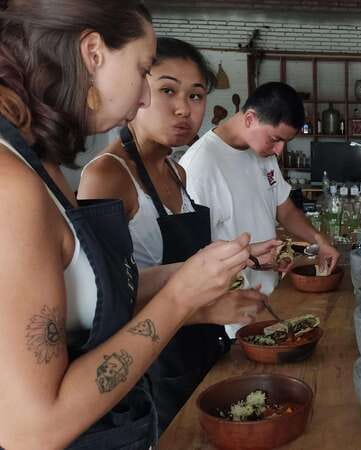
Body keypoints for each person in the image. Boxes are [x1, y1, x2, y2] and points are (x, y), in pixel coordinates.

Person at [0, 1, 276, 447]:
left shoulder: (38, 164)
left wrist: (202, 270)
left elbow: (95, 293)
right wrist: (184, 298)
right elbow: (31, 429)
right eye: (144, 71)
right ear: (93, 53)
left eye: (195, 94)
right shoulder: (9, 184)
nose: (146, 98)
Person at [77, 37, 277, 433]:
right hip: (150, 374)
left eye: (196, 94)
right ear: (138, 90)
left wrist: (242, 255)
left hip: (201, 352)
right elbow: (100, 307)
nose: (184, 108)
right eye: (167, 90)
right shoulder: (107, 176)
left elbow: (182, 264)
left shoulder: (177, 172)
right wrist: (201, 310)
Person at [181, 81, 340, 296]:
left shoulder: (262, 152)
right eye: (276, 139)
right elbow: (195, 253)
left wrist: (320, 240)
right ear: (250, 119)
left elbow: (285, 210)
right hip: (231, 305)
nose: (279, 151)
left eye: (285, 142)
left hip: (268, 293)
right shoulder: (200, 165)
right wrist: (249, 258)